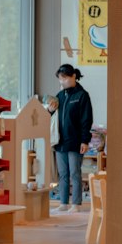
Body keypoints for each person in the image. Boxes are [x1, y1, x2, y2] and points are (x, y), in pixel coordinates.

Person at [47, 63, 93, 212]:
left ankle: (76, 204)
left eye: (65, 78)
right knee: (63, 174)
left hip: (75, 141)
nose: (62, 82)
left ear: (73, 76)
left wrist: (85, 140)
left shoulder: (82, 95)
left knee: (75, 173)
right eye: (60, 79)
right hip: (60, 142)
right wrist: (50, 110)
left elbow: (87, 120)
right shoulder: (60, 95)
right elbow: (53, 116)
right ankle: (63, 203)